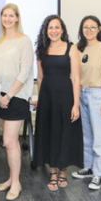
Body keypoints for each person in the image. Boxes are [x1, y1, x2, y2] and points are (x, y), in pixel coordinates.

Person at [0, 3, 34, 201]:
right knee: (11, 143)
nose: (7, 19)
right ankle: (11, 178)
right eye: (4, 15)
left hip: (16, 97)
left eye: (11, 15)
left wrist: (8, 96)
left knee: (8, 141)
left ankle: (16, 183)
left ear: (17, 18)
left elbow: (25, 72)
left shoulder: (24, 41)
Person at [32, 15, 82, 191]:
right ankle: (52, 173)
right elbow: (40, 77)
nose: (53, 31)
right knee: (49, 134)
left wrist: (76, 104)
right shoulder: (41, 49)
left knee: (64, 133)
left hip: (66, 97)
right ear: (46, 31)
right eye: (50, 28)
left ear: (62, 30)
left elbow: (76, 78)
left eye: (57, 27)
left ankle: (62, 171)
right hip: (47, 98)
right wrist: (40, 98)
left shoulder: (71, 48)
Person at [71, 15, 101, 190]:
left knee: (99, 138)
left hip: (98, 95)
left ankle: (99, 173)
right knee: (87, 136)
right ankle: (89, 168)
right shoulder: (77, 48)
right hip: (81, 94)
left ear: (99, 28)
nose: (88, 30)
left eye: (92, 27)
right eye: (85, 27)